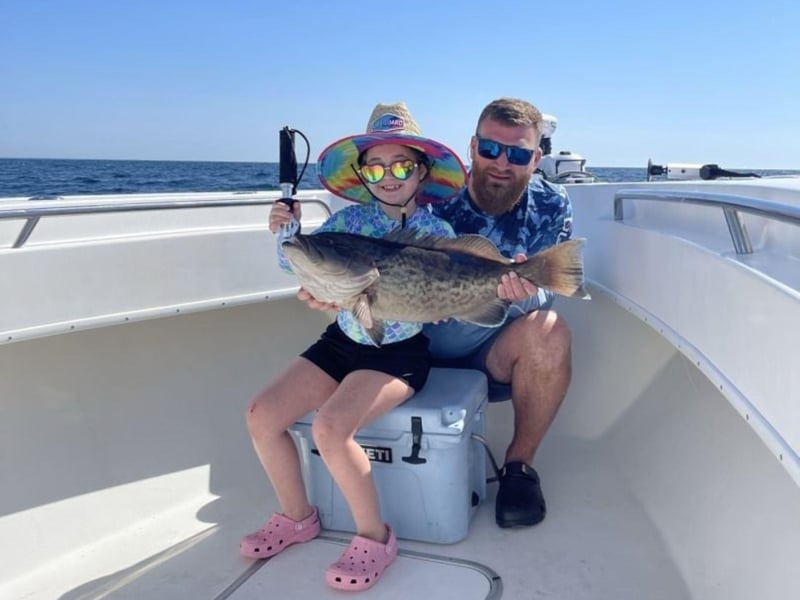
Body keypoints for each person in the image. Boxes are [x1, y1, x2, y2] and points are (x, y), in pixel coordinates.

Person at [241, 102, 466, 592]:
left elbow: (449, 291)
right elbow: (300, 264)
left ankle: (374, 537)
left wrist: (447, 301)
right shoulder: (347, 225)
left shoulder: (438, 234)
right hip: (342, 340)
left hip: (398, 354)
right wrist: (287, 232)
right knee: (261, 414)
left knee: (330, 426)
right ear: (362, 173)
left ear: (422, 171)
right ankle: (297, 517)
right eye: (376, 166)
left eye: (402, 165)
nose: (390, 176)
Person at [422, 97, 575, 529]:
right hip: (419, 342)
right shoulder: (433, 200)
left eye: (519, 154)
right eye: (490, 149)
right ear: (472, 146)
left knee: (549, 328)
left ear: (537, 158)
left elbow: (551, 285)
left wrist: (519, 293)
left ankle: (518, 468)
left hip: (493, 350)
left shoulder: (552, 204)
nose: (502, 163)